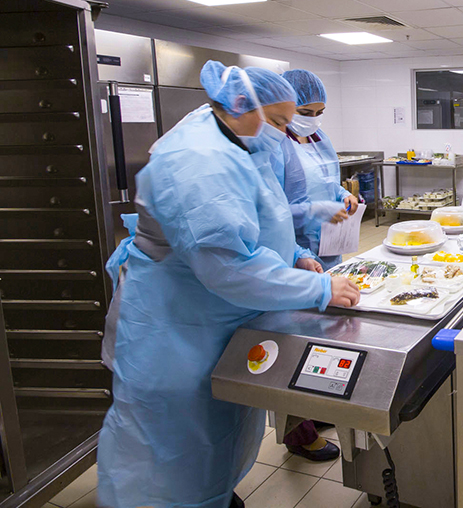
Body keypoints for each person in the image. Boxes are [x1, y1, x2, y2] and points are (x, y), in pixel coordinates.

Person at [97, 61, 361, 508]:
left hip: (216, 319)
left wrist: (294, 255)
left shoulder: (242, 138)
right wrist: (319, 291)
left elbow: (264, 214)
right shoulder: (198, 161)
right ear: (239, 105)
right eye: (278, 121)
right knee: (171, 453)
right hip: (175, 329)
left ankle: (215, 494)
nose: (283, 131)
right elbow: (228, 266)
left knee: (219, 436)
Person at [280, 69, 360, 272]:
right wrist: (316, 211)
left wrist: (343, 194)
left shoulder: (319, 138)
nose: (313, 119)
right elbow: (270, 210)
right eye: (305, 113)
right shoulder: (276, 145)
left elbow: (327, 180)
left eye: (320, 113)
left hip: (330, 240)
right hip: (294, 247)